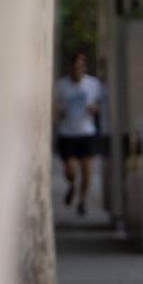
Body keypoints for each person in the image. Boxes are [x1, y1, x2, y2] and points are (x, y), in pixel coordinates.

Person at [53, 50, 103, 215]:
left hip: (86, 131)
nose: (77, 71)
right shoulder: (61, 85)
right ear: (70, 69)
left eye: (80, 68)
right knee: (71, 170)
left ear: (84, 68)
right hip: (67, 132)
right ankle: (71, 185)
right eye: (75, 68)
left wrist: (94, 109)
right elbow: (55, 107)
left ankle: (82, 201)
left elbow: (98, 105)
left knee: (87, 170)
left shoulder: (93, 84)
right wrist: (59, 113)